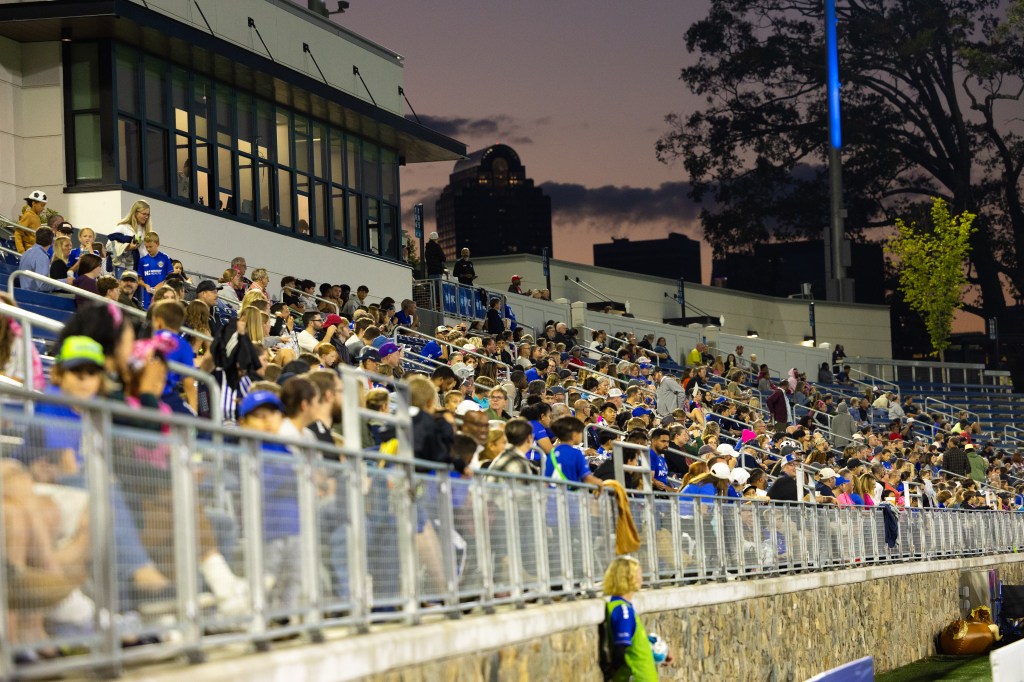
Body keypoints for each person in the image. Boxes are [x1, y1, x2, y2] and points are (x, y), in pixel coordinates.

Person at [602, 555, 663, 682]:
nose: (641, 578)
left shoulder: (624, 607)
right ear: (627, 577)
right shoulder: (623, 611)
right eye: (638, 574)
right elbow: (620, 650)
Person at [108, 200, 152, 277]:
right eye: (144, 214)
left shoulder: (146, 231)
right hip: (123, 268)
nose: (146, 217)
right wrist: (127, 247)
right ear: (135, 212)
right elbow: (109, 247)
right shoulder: (123, 227)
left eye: (148, 215)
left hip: (142, 269)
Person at [137, 232, 172, 309]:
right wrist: (145, 285)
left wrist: (162, 284)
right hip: (147, 298)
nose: (148, 249)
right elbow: (139, 280)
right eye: (146, 247)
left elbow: (170, 277)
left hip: (162, 296)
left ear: (158, 244)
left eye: (150, 246)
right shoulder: (143, 260)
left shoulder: (165, 258)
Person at [18, 226, 59, 292]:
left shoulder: (27, 252)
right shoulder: (42, 257)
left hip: (25, 293)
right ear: (51, 242)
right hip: (35, 297)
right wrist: (64, 282)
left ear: (36, 238)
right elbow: (43, 285)